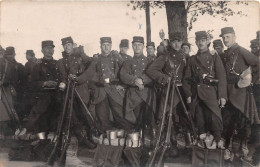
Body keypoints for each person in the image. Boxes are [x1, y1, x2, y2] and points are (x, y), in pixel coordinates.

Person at [183, 31, 227, 149]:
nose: (200, 43)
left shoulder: (214, 56)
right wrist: (188, 95)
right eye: (198, 41)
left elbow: (222, 77)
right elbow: (186, 79)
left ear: (207, 42)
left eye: (203, 40)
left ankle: (217, 143)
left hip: (211, 93)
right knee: (199, 120)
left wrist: (222, 96)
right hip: (197, 95)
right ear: (196, 42)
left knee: (215, 119)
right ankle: (202, 145)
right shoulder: (192, 60)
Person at [219, 27, 260, 154]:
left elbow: (257, 63)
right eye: (224, 37)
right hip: (228, 90)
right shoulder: (225, 54)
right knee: (228, 119)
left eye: (228, 37)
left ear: (234, 37)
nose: (225, 40)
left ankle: (243, 145)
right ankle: (227, 147)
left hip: (241, 90)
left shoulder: (241, 51)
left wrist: (249, 75)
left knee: (244, 118)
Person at [147, 32, 189, 155]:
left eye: (179, 41)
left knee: (183, 117)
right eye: (174, 41)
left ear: (182, 43)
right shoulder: (165, 56)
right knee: (164, 116)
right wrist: (165, 79)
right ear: (170, 42)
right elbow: (151, 70)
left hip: (182, 92)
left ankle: (188, 145)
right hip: (169, 91)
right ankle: (169, 144)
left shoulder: (185, 57)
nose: (176, 44)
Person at [79, 37, 129, 132]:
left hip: (114, 89)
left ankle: (126, 131)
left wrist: (120, 83)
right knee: (102, 113)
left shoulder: (116, 58)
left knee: (119, 112)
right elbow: (90, 74)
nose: (106, 47)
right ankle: (105, 132)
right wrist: (78, 79)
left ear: (111, 46)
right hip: (101, 90)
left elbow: (125, 70)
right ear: (100, 46)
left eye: (108, 45)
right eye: (104, 45)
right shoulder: (96, 60)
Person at [57, 36, 96, 148]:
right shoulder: (61, 61)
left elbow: (91, 63)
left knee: (85, 113)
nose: (67, 47)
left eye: (69, 45)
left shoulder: (81, 57)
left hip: (82, 90)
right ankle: (82, 139)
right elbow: (63, 76)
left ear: (73, 45)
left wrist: (81, 52)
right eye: (65, 45)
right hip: (69, 91)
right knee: (72, 115)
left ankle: (90, 137)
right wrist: (64, 82)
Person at [22, 40, 62, 140]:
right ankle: (39, 141)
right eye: (47, 48)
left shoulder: (58, 64)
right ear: (42, 50)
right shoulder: (37, 66)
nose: (50, 50)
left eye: (51, 48)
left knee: (56, 124)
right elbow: (32, 84)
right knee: (41, 126)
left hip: (57, 99)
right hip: (43, 100)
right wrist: (44, 83)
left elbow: (63, 79)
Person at [120, 36, 156, 133]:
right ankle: (137, 133)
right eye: (135, 45)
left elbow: (153, 74)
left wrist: (143, 81)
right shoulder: (128, 62)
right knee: (134, 120)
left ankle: (150, 135)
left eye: (139, 45)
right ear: (132, 46)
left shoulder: (150, 61)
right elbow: (123, 75)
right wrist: (135, 80)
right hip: (133, 93)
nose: (137, 47)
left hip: (147, 92)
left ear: (143, 46)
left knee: (149, 118)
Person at [0, 47, 23, 138]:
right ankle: (10, 133)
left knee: (5, 111)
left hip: (5, 91)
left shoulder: (7, 64)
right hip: (7, 90)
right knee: (8, 111)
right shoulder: (10, 64)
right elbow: (15, 79)